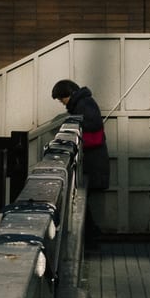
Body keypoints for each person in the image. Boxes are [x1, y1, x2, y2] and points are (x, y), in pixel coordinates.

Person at [52, 80, 111, 236]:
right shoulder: (85, 103)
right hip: (94, 161)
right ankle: (92, 236)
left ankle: (92, 236)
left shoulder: (83, 105)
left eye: (61, 98)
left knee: (79, 202)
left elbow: (93, 131)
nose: (62, 102)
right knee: (80, 202)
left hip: (92, 163)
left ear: (69, 94)